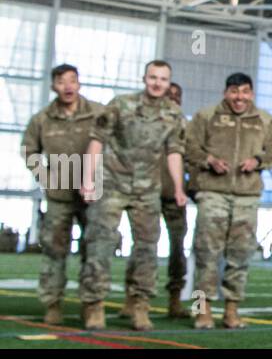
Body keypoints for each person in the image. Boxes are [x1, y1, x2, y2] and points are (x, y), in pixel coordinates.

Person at [79, 60, 186, 330]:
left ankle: (140, 306)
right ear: (144, 78)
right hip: (113, 183)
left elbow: (174, 152)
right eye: (153, 77)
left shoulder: (173, 114)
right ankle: (94, 305)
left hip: (147, 190)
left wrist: (178, 187)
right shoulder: (120, 104)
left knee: (147, 249)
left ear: (168, 82)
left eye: (163, 79)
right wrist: (87, 179)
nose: (157, 83)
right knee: (100, 244)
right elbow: (96, 141)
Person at [185, 72, 272, 329]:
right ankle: (202, 311)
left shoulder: (265, 120)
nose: (239, 98)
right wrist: (208, 160)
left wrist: (258, 161)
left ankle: (232, 311)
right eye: (234, 92)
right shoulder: (206, 117)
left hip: (247, 196)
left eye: (244, 92)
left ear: (251, 93)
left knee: (240, 255)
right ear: (225, 93)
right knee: (206, 254)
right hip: (212, 193)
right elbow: (188, 145)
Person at [21, 64, 99, 324]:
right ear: (54, 85)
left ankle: (91, 305)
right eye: (62, 81)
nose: (68, 86)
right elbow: (29, 151)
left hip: (93, 197)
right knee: (54, 252)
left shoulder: (98, 113)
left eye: (72, 81)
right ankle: (52, 304)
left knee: (95, 251)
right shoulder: (42, 119)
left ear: (79, 84)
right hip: (59, 197)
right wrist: (45, 178)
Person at [158, 80, 191, 319]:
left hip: (175, 195)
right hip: (143, 193)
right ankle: (134, 298)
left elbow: (193, 158)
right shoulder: (142, 123)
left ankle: (175, 299)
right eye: (169, 94)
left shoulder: (186, 126)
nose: (173, 98)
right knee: (143, 248)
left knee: (178, 247)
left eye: (177, 95)